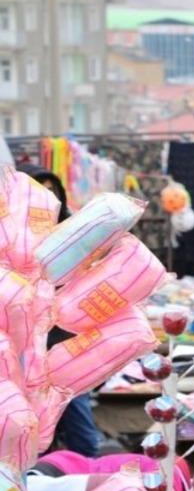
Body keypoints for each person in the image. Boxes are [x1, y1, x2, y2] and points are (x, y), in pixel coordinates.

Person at [18, 164, 104, 457]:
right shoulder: (11, 238)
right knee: (28, 432)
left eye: (52, 189)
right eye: (39, 188)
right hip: (21, 353)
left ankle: (84, 473)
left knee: (82, 430)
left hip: (65, 347)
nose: (47, 196)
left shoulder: (71, 234)